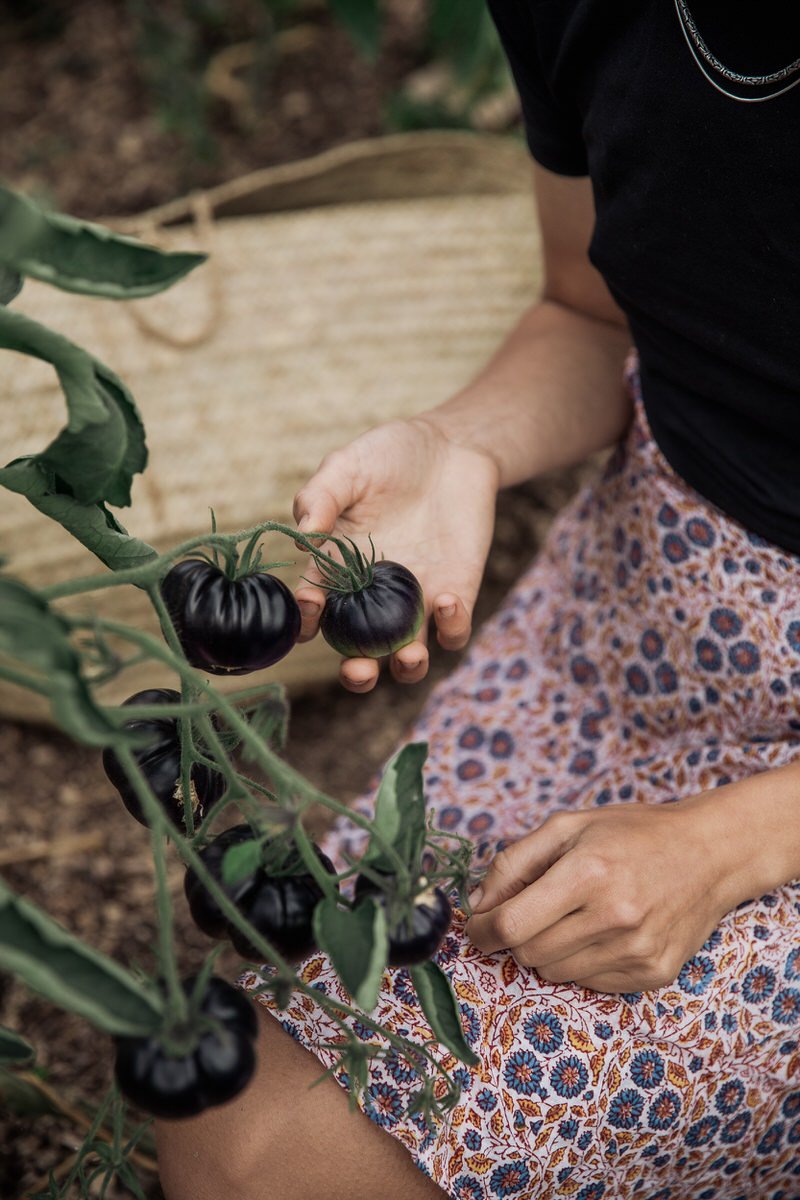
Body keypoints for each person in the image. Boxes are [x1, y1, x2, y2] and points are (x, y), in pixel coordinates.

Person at [155, 2, 800, 1197]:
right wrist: (459, 445)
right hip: (636, 627)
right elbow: (591, 306)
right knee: (236, 1081)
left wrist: (727, 844)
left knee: (273, 1154)